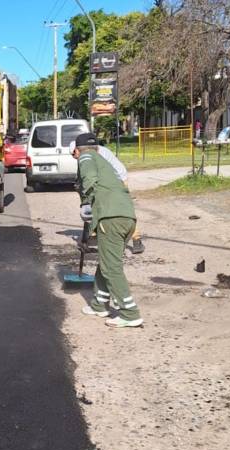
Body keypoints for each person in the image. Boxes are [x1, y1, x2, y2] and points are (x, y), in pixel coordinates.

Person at [73, 133, 143, 328]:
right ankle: (99, 304)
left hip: (111, 219)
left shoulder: (86, 157)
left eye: (75, 153)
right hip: (126, 217)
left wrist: (86, 203)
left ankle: (130, 313)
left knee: (111, 268)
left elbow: (89, 179)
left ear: (77, 151)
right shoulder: (103, 160)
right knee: (107, 261)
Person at [69, 140, 145, 254]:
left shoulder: (93, 154)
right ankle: (96, 236)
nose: (74, 158)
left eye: (73, 155)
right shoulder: (91, 152)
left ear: (76, 150)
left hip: (118, 180)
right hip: (114, 179)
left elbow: (93, 177)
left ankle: (136, 239)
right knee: (104, 209)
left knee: (119, 211)